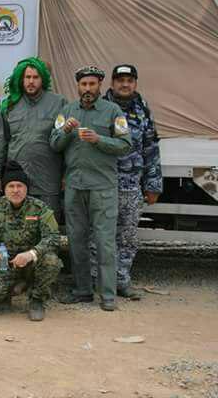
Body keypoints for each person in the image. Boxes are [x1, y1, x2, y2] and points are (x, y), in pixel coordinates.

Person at [50, 65, 131, 312]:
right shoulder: (67, 111)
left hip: (103, 187)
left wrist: (99, 139)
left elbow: (125, 145)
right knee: (76, 241)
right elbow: (54, 144)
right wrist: (65, 131)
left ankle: (107, 295)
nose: (87, 88)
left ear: (99, 86)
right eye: (83, 84)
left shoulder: (112, 111)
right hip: (75, 187)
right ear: (78, 86)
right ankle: (82, 290)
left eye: (92, 84)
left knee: (105, 243)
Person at [103, 64, 162, 300]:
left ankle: (121, 281)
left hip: (130, 184)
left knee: (127, 237)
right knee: (100, 236)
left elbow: (151, 148)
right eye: (120, 80)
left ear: (135, 83)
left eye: (129, 80)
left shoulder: (142, 110)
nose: (125, 84)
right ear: (112, 83)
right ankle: (99, 282)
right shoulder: (101, 107)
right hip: (103, 183)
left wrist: (153, 184)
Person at [0, 161, 62, 321]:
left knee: (51, 261)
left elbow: (53, 237)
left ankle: (37, 299)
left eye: (20, 186)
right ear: (4, 188)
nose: (15, 190)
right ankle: (10, 292)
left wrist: (31, 254)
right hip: (5, 263)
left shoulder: (39, 208)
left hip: (32, 263)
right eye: (11, 186)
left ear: (26, 188)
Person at [0, 57, 67, 218]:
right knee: (19, 225)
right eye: (27, 77)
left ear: (43, 79)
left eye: (35, 77)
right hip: (17, 181)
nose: (31, 81)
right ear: (21, 79)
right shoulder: (10, 105)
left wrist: (67, 175)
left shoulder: (59, 103)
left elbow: (67, 143)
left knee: (49, 224)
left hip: (48, 180)